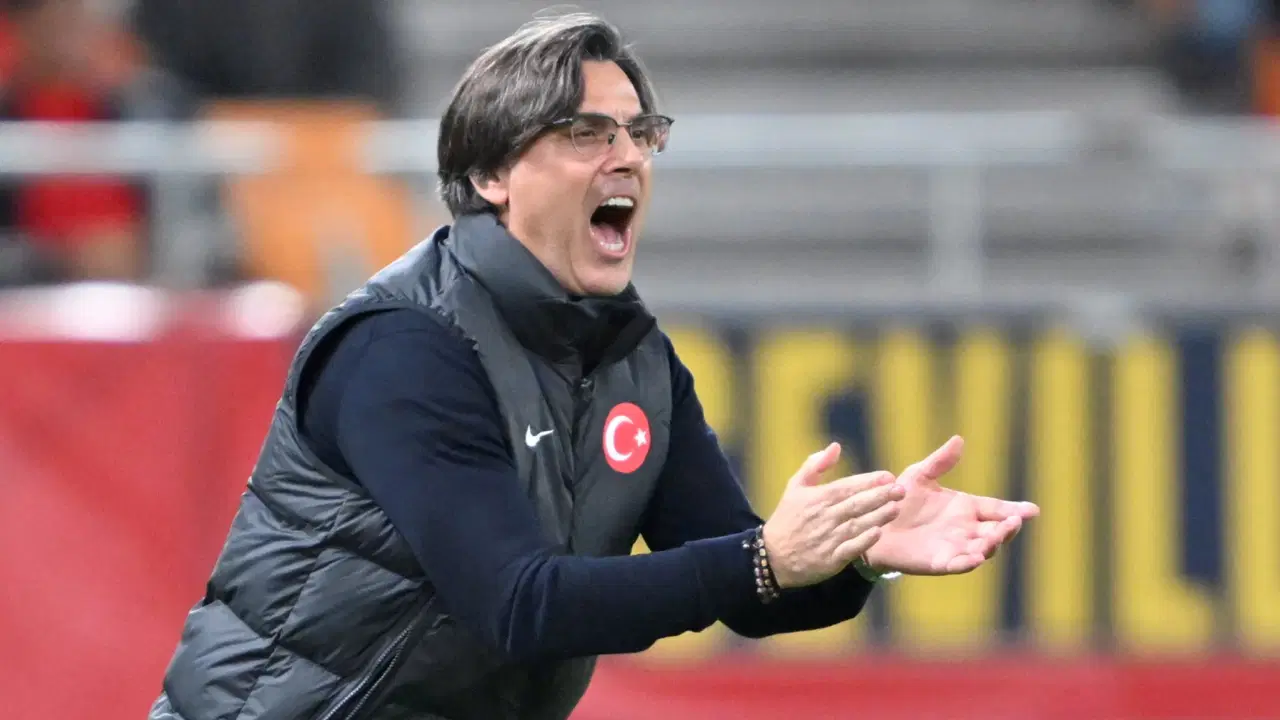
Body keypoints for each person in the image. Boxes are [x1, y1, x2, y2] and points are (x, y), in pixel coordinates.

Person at [149, 12, 1040, 720]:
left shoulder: (635, 360)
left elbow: (746, 586)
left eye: (640, 132)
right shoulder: (404, 347)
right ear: (492, 174)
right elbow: (519, 605)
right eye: (585, 133)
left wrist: (852, 554)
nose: (628, 157)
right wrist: (763, 557)